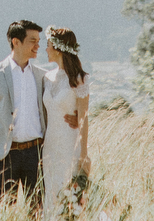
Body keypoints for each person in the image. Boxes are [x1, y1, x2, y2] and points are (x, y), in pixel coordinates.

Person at [0, 20, 48, 207]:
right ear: (16, 41)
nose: (38, 45)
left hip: (36, 154)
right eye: (32, 41)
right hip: (5, 155)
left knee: (36, 212)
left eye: (39, 40)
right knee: (6, 213)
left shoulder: (41, 75)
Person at [41, 26, 92, 206]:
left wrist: (83, 154)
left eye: (48, 45)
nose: (45, 49)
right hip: (50, 147)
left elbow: (84, 118)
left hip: (70, 146)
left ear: (57, 48)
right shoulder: (46, 77)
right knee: (51, 197)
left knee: (70, 197)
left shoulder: (79, 79)